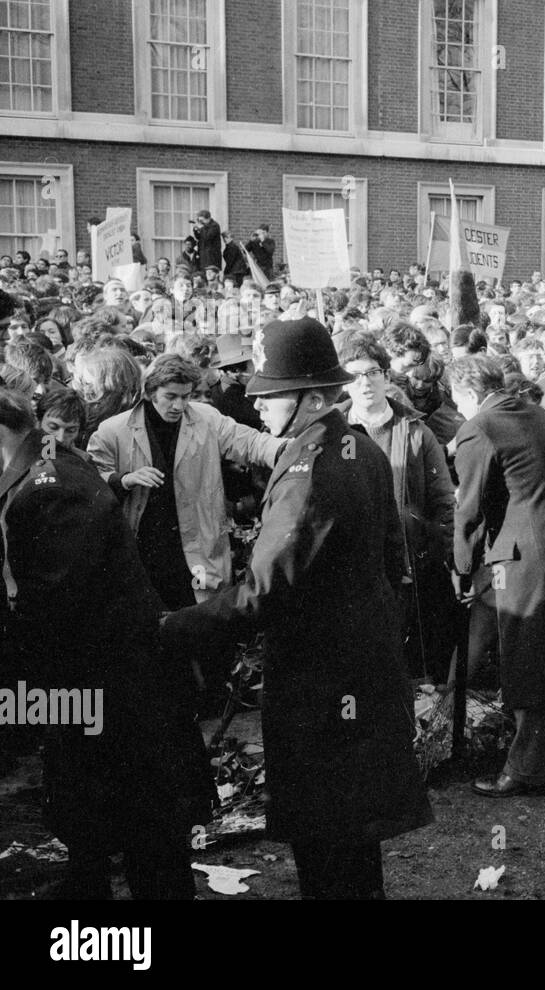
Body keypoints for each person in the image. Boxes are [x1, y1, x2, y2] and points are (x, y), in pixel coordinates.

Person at [162, 318, 432, 898]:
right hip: (358, 666)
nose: (258, 407)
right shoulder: (358, 447)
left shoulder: (312, 471)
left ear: (310, 397)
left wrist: (173, 629)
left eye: (270, 395)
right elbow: (391, 559)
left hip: (322, 678)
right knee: (353, 836)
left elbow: (264, 589)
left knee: (325, 835)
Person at [0, 388, 211, 899]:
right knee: (104, 831)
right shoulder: (47, 471)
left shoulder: (48, 488)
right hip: (101, 697)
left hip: (113, 698)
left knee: (144, 844)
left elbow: (55, 611)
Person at [449, 354, 545, 797]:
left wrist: (462, 568)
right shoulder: (533, 411)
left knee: (527, 661)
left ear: (466, 393)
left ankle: (525, 770)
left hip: (523, 560)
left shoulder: (479, 426)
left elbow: (469, 511)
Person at [87, 354, 284, 613]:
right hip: (143, 546)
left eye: (186, 396)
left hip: (197, 545)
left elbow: (250, 442)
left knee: (199, 616)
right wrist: (124, 480)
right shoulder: (112, 431)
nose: (179, 406)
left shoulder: (207, 418)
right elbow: (91, 480)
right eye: (171, 397)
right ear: (149, 393)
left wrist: (290, 450)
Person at [339, 335, 456, 678]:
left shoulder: (416, 432)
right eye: (355, 375)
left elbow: (443, 502)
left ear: (387, 377)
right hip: (354, 567)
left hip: (408, 566)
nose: (365, 382)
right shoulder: (334, 431)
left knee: (412, 663)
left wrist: (443, 556)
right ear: (345, 383)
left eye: (373, 372)